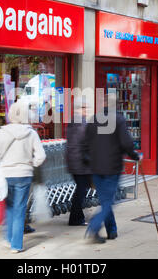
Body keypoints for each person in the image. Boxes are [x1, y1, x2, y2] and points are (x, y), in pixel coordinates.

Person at [85, 94, 141, 243]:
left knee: (105, 200)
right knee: (108, 202)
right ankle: (93, 227)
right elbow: (127, 143)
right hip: (112, 167)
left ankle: (112, 231)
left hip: (96, 167)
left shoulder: (93, 120)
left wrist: (89, 162)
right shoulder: (119, 119)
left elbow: (85, 143)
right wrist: (135, 156)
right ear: (115, 105)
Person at [0, 100, 46, 253]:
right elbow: (41, 156)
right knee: (20, 209)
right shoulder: (31, 133)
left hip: (6, 175)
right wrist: (31, 163)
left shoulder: (2, 132)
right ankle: (16, 245)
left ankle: (8, 239)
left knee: (9, 207)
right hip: (25, 174)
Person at [66, 97, 92, 226]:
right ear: (78, 109)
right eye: (84, 107)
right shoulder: (81, 123)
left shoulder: (73, 122)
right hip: (80, 163)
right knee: (81, 190)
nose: (86, 110)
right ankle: (75, 218)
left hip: (74, 161)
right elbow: (86, 141)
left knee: (81, 189)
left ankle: (77, 217)